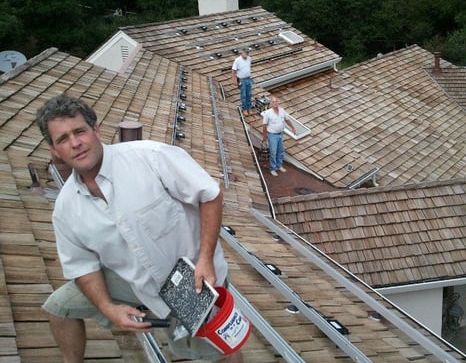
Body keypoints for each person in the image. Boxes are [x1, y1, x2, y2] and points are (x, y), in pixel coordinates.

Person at [36, 94, 240, 363]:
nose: (75, 143)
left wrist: (205, 259)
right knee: (59, 307)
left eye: (79, 131)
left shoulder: (150, 158)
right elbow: (83, 266)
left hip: (195, 281)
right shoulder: (65, 209)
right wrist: (109, 309)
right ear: (54, 149)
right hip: (136, 282)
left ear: (96, 130)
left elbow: (210, 195)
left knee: (220, 348)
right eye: (63, 139)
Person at [262, 97, 296, 177]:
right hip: (272, 135)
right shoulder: (268, 113)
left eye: (276, 101)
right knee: (273, 153)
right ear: (271, 103)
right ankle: (273, 169)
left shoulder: (282, 111)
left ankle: (279, 165)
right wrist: (264, 136)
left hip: (280, 134)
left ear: (278, 102)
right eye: (273, 102)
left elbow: (287, 120)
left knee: (281, 151)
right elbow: (264, 126)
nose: (275, 103)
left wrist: (293, 128)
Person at [231, 48, 253, 116]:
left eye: (248, 52)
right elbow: (233, 71)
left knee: (249, 94)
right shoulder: (237, 60)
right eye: (246, 52)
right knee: (243, 95)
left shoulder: (249, 59)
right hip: (242, 80)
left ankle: (249, 108)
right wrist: (234, 80)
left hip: (248, 79)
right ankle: (245, 109)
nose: (247, 54)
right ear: (242, 52)